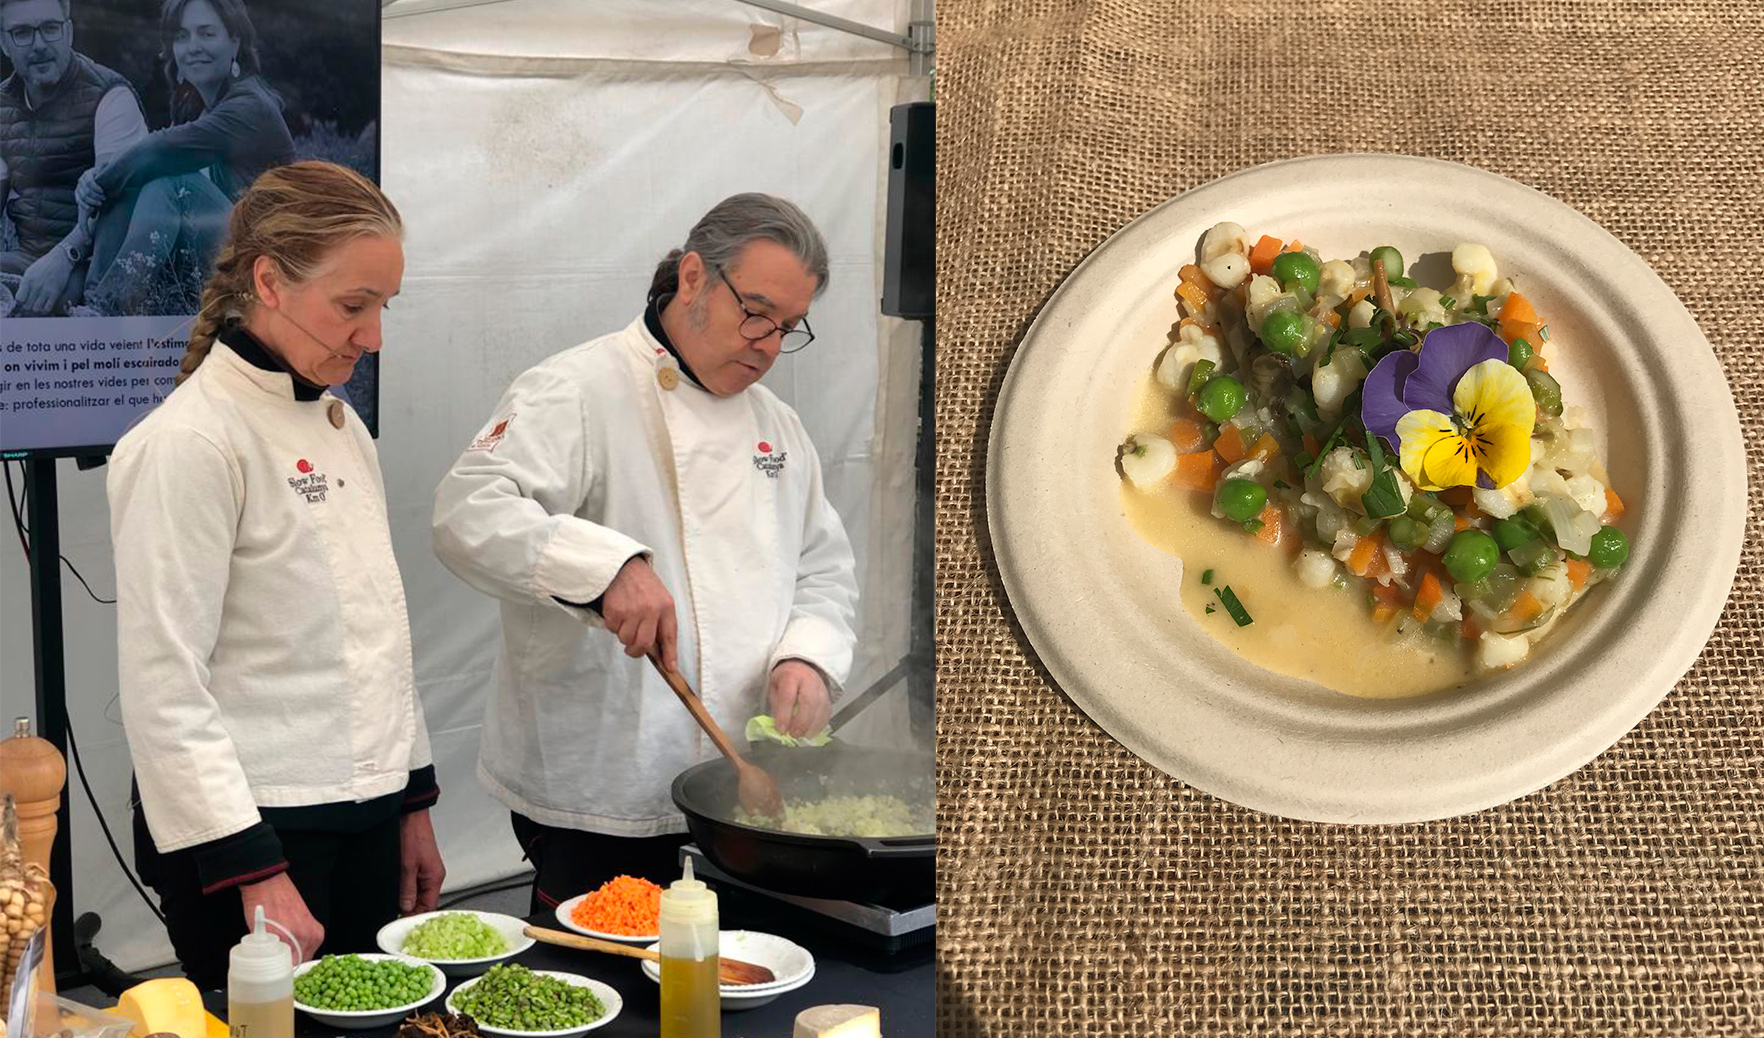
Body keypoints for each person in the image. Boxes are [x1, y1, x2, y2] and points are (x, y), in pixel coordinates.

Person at [432, 193, 859, 911]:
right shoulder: (578, 388)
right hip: (598, 787)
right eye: (754, 312)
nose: (768, 344)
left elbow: (822, 567)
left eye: (789, 327)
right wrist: (604, 571)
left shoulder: (777, 427)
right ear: (693, 276)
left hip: (741, 790)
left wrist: (807, 657)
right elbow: (466, 511)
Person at [108, 161, 443, 988]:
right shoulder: (188, 443)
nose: (374, 337)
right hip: (250, 838)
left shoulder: (342, 429)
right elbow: (164, 687)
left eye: (383, 307)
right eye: (352, 306)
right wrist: (254, 867)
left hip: (364, 820)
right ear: (269, 280)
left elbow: (377, 636)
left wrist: (411, 803)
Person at [75, 0, 294, 314]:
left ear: (235, 41)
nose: (193, 47)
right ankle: (94, 302)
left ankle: (106, 307)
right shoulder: (194, 104)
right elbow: (144, 160)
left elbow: (157, 151)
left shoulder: (249, 105)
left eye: (206, 34)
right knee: (141, 178)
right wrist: (96, 179)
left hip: (262, 265)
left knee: (170, 179)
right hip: (218, 252)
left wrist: (98, 184)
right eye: (181, 36)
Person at [0, 0, 147, 315]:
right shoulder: (2, 103)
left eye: (50, 29)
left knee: (36, 314)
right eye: (22, 32)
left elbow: (120, 201)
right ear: (3, 43)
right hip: (28, 256)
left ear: (68, 32)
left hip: (92, 262)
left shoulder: (110, 96)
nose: (39, 45)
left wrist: (63, 257)